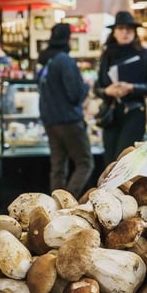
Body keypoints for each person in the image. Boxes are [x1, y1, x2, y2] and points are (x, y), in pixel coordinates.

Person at [37, 23, 94, 199]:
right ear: (68, 39)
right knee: (85, 163)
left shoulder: (43, 61)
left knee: (58, 167)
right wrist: (87, 85)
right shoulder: (64, 60)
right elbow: (75, 94)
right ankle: (66, 202)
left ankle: (54, 206)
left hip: (49, 120)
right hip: (69, 121)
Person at [95, 11, 147, 166]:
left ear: (134, 32)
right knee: (109, 161)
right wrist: (107, 91)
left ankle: (124, 191)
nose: (125, 32)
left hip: (134, 112)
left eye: (129, 29)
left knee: (125, 159)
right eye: (121, 28)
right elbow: (97, 87)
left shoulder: (144, 55)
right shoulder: (107, 55)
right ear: (114, 32)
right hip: (111, 113)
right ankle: (107, 191)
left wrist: (131, 87)